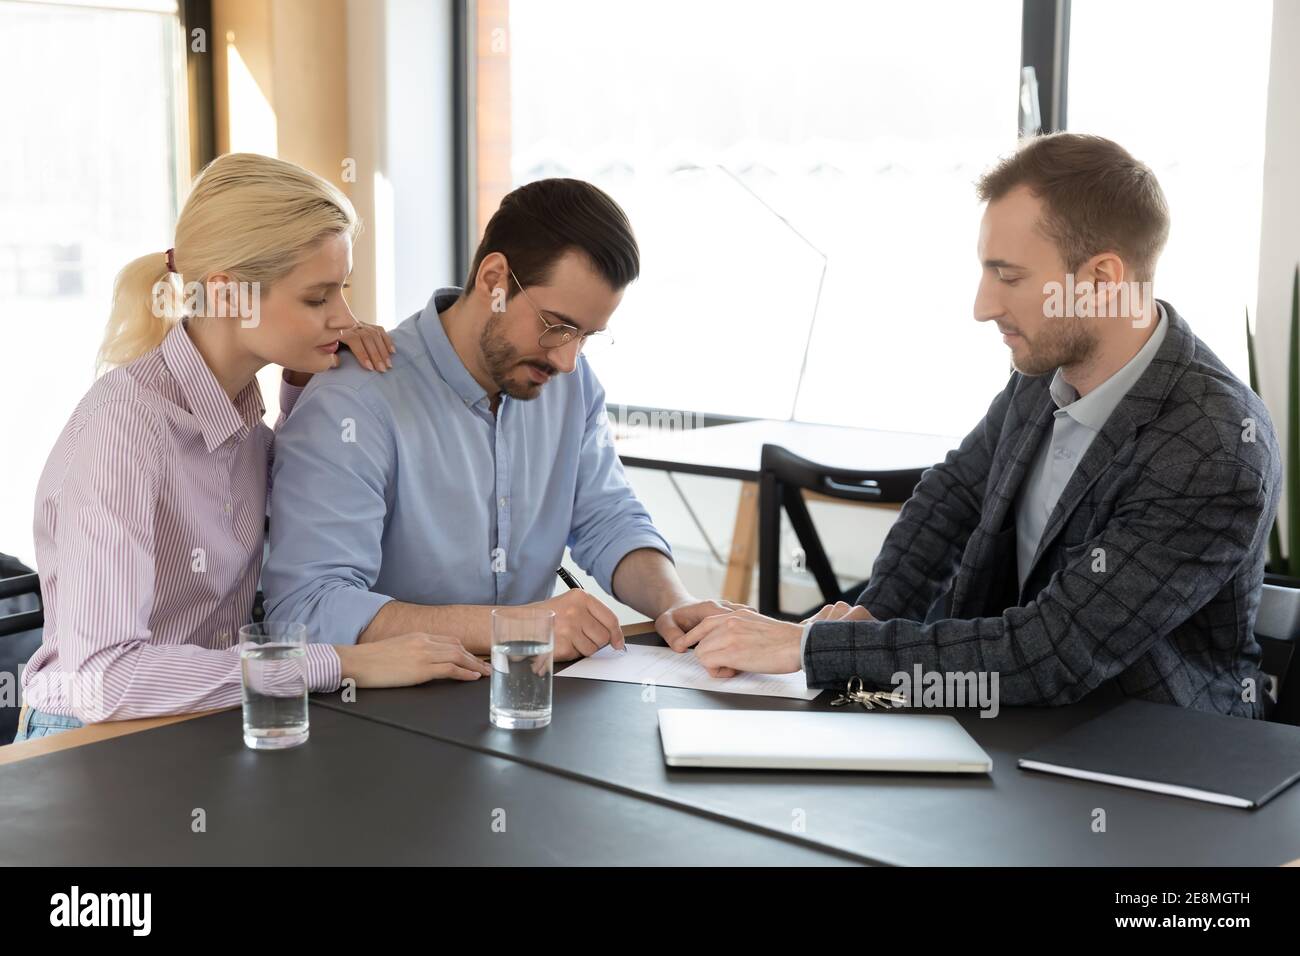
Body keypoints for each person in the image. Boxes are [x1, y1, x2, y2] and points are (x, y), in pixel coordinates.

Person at [681, 133, 1281, 718]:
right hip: (1008, 722)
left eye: (1009, 276)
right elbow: (957, 494)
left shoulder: (1215, 442)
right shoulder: (1044, 369)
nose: (983, 306)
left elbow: (1052, 651)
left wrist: (810, 646)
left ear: (1100, 282)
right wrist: (877, 610)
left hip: (1149, 761)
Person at [15, 153, 490, 742]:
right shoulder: (122, 430)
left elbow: (293, 507)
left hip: (202, 726)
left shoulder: (248, 426)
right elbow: (103, 681)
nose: (346, 318)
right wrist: (344, 662)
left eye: (343, 290)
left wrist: (314, 386)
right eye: (318, 298)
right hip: (88, 741)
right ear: (227, 294)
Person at [264, 178, 728, 658]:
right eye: (556, 326)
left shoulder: (571, 382)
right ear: (494, 280)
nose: (568, 359)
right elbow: (307, 610)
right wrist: (512, 625)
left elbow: (607, 518)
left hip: (525, 702)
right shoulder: (353, 400)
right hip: (384, 713)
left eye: (586, 335)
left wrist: (675, 603)